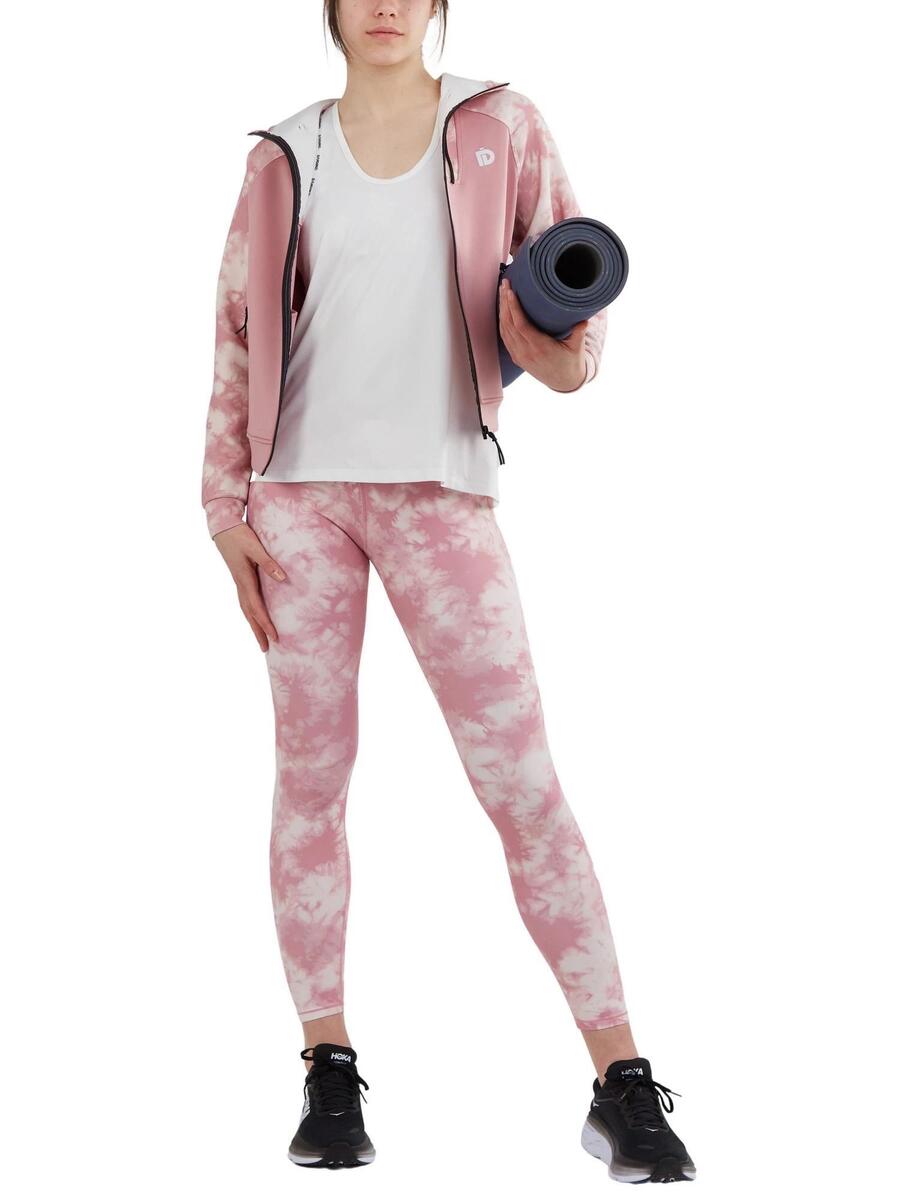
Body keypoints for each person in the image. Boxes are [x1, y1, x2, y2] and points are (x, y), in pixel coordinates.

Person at [200, 1, 695, 1184]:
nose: (385, 3)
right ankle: (328, 1068)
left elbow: (576, 335)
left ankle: (622, 1082)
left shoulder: (501, 126)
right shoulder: (282, 153)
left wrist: (556, 344)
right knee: (310, 783)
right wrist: (223, 507)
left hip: (441, 492)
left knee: (523, 785)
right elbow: (233, 333)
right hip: (300, 502)